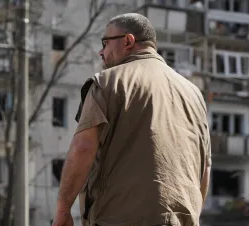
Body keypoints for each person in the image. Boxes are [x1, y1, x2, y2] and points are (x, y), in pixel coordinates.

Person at [52, 13, 211, 226]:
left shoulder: (107, 83)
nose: (101, 52)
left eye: (105, 43)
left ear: (128, 41)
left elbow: (83, 148)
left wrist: (63, 210)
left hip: (120, 219)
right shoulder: (194, 94)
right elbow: (204, 169)